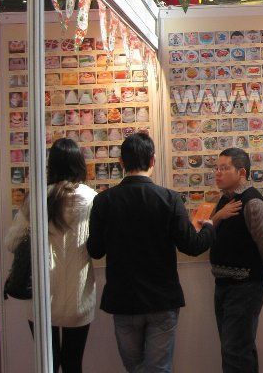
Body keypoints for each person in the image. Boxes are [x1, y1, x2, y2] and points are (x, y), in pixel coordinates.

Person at [87, 132, 214, 373]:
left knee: (135, 368)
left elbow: (95, 250)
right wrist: (208, 228)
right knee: (159, 369)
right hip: (161, 299)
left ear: (121, 162)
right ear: (153, 160)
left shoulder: (104, 201)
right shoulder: (169, 198)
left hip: (123, 299)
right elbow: (192, 246)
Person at [4, 139, 96, 373]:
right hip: (78, 297)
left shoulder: (37, 198)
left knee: (48, 364)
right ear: (79, 164)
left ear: (51, 165)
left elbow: (11, 242)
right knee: (74, 364)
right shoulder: (92, 199)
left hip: (41, 297)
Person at [209, 148, 263, 373]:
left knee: (235, 351)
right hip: (224, 285)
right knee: (235, 349)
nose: (218, 173)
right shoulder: (225, 199)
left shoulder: (252, 201)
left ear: (241, 172)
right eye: (217, 168)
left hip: (245, 287)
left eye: (224, 168)